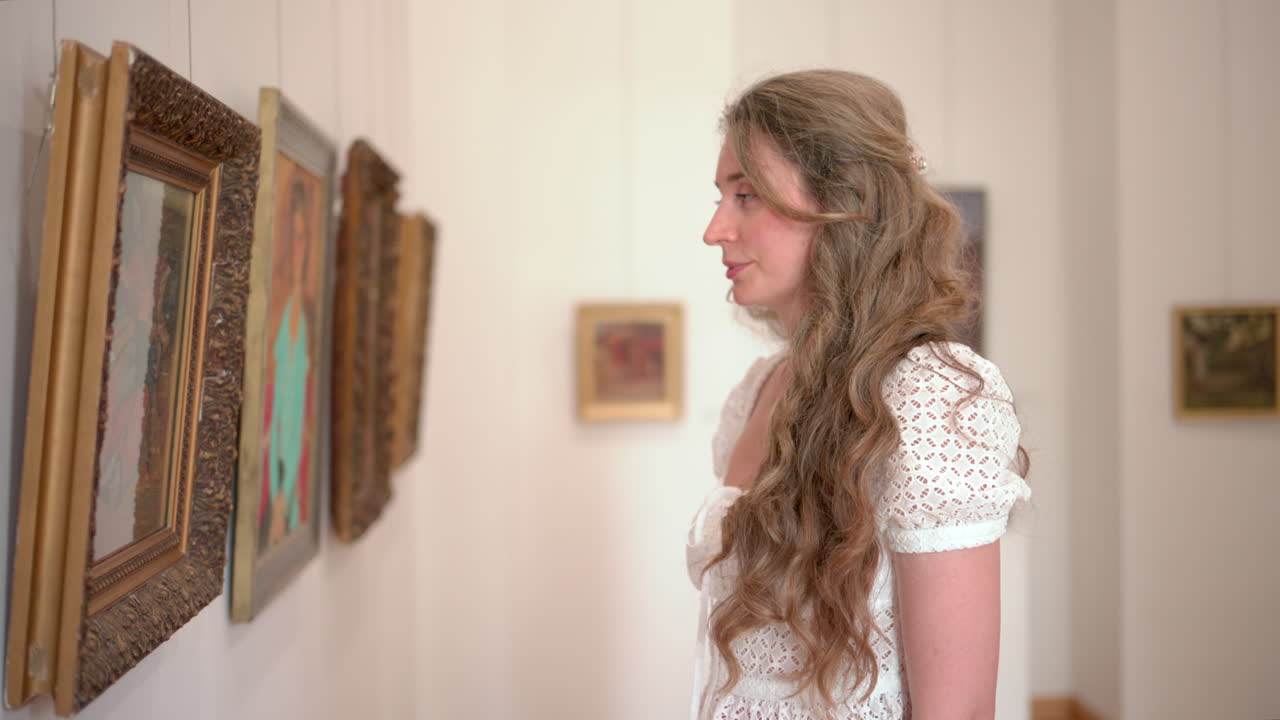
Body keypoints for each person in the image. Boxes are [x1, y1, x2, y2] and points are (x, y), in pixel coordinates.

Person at [688, 70, 1031, 720]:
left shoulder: (930, 396)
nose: (715, 230)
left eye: (747, 196)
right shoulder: (757, 392)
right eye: (719, 196)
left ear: (840, 205)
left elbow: (956, 712)